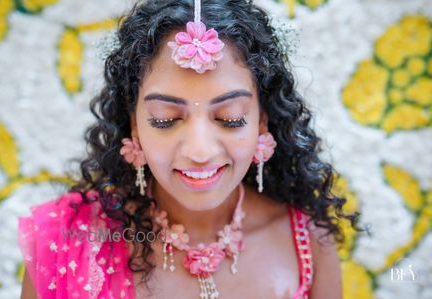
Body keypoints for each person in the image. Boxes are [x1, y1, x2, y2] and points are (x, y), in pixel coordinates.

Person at [18, 0, 360, 298]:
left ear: (262, 122)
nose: (199, 151)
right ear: (134, 124)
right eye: (166, 120)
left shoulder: (307, 240)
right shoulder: (66, 243)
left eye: (230, 118)